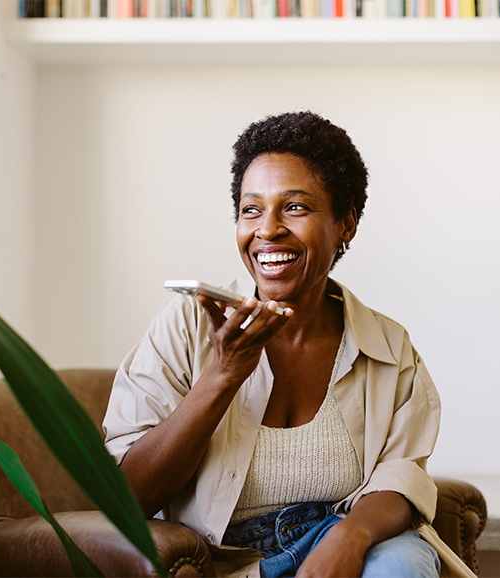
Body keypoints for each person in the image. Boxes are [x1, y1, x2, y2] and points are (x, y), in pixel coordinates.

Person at [103, 111, 475, 578]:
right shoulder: (187, 327)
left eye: (295, 207)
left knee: (402, 562)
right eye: (251, 209)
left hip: (339, 542)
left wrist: (349, 536)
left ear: (346, 224)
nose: (268, 229)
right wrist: (224, 374)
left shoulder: (388, 347)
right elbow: (128, 497)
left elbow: (400, 477)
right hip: (225, 563)